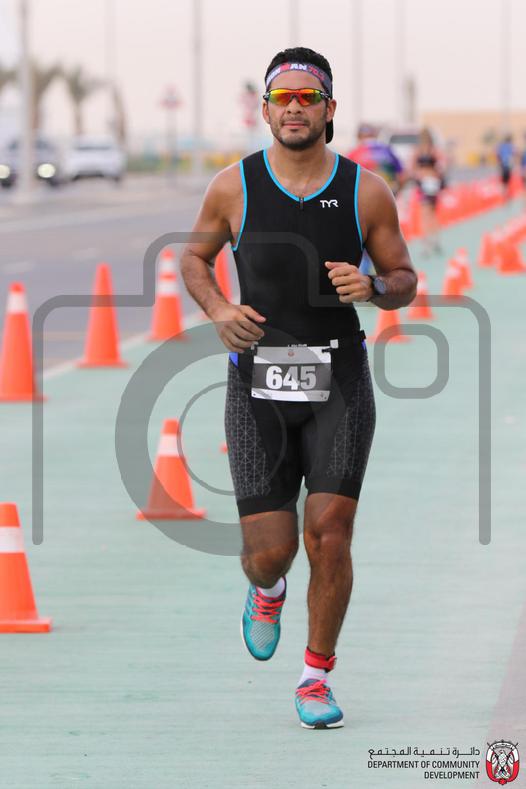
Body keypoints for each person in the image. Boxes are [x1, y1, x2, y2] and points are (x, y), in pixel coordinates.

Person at [181, 46, 416, 730]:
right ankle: (268, 589)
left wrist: (373, 286)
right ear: (264, 110)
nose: (293, 108)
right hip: (258, 385)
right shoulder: (233, 186)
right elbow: (194, 258)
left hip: (340, 381)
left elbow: (404, 279)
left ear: (329, 109)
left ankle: (316, 676)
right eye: (281, 97)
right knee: (269, 552)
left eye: (307, 97)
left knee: (331, 533)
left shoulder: (367, 191)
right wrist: (219, 309)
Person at [348, 123, 404, 273]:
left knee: (363, 236)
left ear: (359, 136)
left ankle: (365, 271)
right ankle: (387, 270)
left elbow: (344, 178)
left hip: (361, 201)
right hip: (387, 198)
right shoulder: (387, 150)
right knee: (386, 235)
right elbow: (402, 174)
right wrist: (396, 193)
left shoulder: (354, 152)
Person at [411, 127, 445, 256]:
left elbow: (413, 167)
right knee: (430, 213)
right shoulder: (427, 151)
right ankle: (433, 241)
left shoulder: (426, 151)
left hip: (429, 183)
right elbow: (441, 166)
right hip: (428, 182)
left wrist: (421, 175)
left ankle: (429, 243)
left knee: (427, 213)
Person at [496, 133, 516, 200]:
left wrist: (499, 164)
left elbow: (498, 155)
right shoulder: (510, 146)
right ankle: (506, 194)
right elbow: (514, 154)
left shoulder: (501, 146)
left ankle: (504, 194)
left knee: (504, 181)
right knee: (507, 181)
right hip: (507, 166)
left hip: (503, 166)